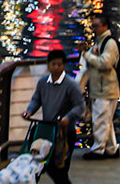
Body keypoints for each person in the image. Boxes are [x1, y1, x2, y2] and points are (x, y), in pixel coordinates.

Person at [22, 49, 86, 184]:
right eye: (53, 64)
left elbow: (80, 106)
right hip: (47, 131)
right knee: (42, 165)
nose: (56, 68)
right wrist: (29, 111)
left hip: (64, 133)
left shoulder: (71, 85)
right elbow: (36, 99)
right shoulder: (43, 82)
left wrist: (68, 118)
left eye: (59, 65)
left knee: (59, 169)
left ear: (64, 65)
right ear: (48, 64)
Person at [81, 10, 120, 160]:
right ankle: (111, 148)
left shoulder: (109, 43)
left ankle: (98, 149)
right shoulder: (101, 42)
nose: (94, 29)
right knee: (106, 120)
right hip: (103, 89)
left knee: (100, 120)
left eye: (96, 26)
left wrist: (87, 55)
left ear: (105, 26)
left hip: (104, 89)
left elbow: (105, 63)